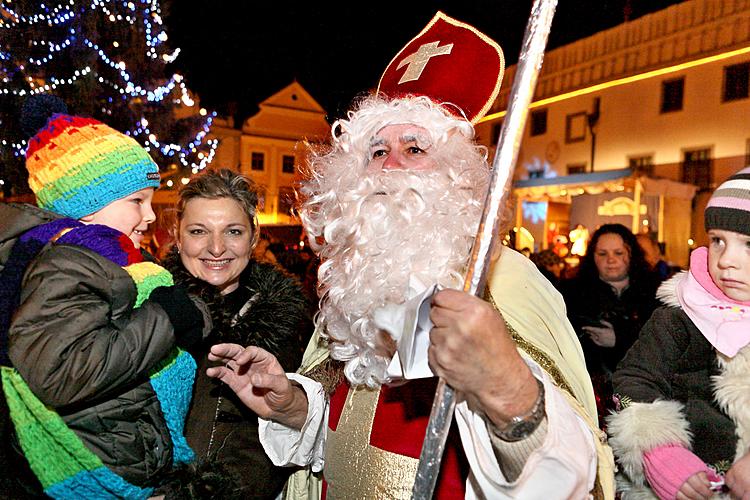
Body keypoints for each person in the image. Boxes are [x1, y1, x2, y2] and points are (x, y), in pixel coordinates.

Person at [204, 12, 614, 499]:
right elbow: (351, 429)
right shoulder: (352, 283)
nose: (390, 165)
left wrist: (507, 388)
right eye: (376, 151)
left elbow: (564, 471)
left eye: (414, 148)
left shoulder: (505, 280)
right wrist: (294, 405)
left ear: (457, 175)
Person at [0, 96, 209, 497]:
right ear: (87, 205)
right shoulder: (64, 264)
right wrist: (165, 317)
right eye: (136, 202)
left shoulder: (109, 258)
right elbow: (60, 371)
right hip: (92, 464)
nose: (149, 216)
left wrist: (183, 312)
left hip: (122, 449)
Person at [160, 169, 311, 498]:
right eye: (199, 231)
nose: (216, 248)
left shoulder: (289, 320)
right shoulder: (148, 307)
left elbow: (289, 440)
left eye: (233, 231)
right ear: (177, 233)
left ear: (253, 236)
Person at [607, 167, 750, 499]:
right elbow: (632, 383)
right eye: (717, 240)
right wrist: (663, 458)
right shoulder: (679, 317)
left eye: (749, 244)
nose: (727, 259)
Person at [560, 223, 660, 418]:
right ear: (592, 257)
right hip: (589, 399)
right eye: (602, 254)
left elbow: (660, 343)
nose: (611, 260)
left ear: (631, 255)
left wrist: (620, 338)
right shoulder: (572, 295)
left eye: (619, 253)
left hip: (642, 396)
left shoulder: (654, 293)